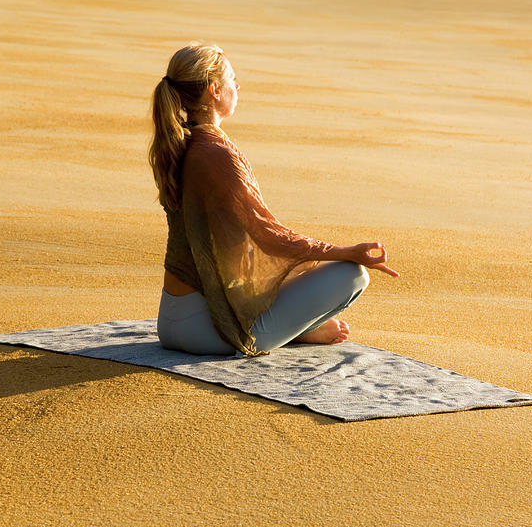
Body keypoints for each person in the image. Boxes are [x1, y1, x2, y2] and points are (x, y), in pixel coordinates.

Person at [149, 43, 398, 357]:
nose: (237, 87)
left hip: (170, 321)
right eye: (231, 80)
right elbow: (269, 236)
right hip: (209, 332)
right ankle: (296, 330)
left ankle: (298, 328)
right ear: (214, 90)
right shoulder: (216, 154)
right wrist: (347, 252)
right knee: (351, 275)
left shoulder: (179, 143)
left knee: (291, 275)